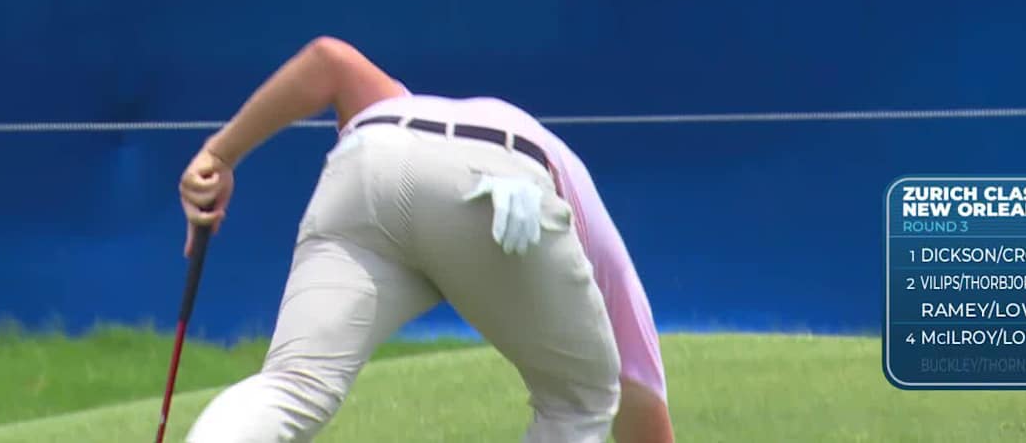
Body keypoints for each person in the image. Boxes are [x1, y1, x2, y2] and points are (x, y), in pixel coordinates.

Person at [178, 36, 675, 442]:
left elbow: (328, 58)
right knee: (581, 401)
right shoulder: (601, 239)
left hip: (367, 162)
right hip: (502, 180)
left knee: (291, 386)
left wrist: (218, 156)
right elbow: (641, 397)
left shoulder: (394, 103)